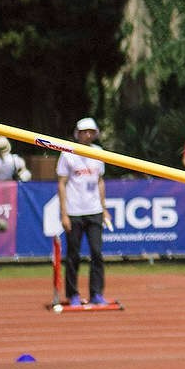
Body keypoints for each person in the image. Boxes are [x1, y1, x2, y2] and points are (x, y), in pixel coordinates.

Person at [57, 116, 108, 306]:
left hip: (94, 210)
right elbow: (62, 184)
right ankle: (73, 294)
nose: (88, 135)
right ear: (77, 134)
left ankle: (96, 293)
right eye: (84, 132)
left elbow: (100, 181)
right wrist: (63, 213)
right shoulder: (67, 154)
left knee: (97, 253)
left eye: (91, 132)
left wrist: (104, 209)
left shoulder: (99, 153)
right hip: (74, 211)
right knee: (73, 255)